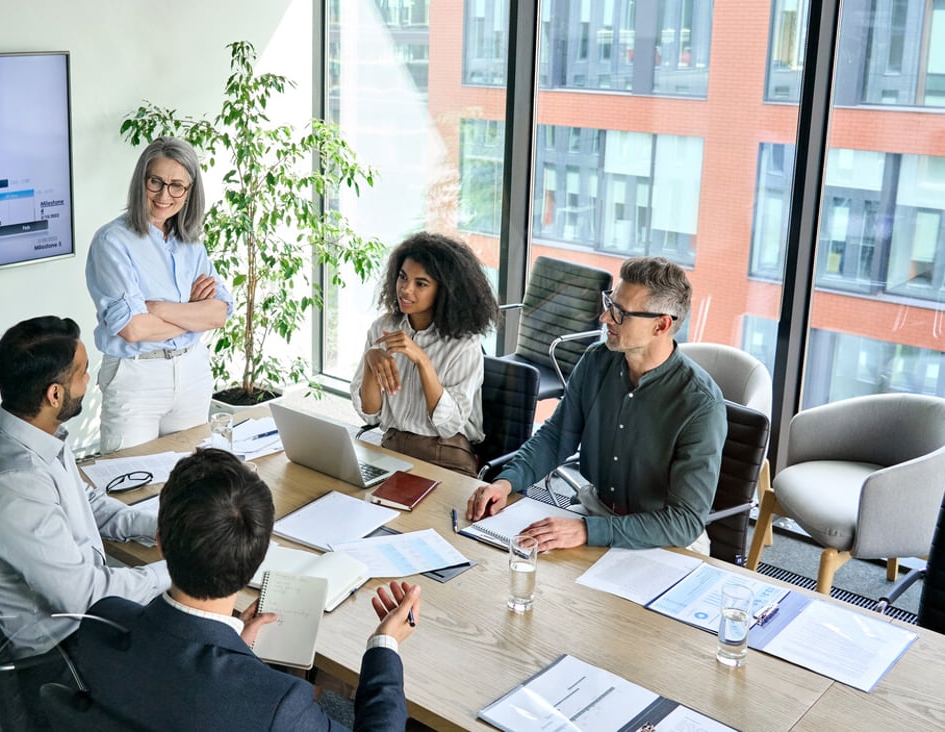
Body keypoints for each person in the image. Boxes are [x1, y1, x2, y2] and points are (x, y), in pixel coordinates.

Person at [72, 448, 419, 731]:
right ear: (258, 558)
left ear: (160, 543)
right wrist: (385, 646)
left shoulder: (100, 622)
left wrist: (236, 649)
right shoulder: (277, 704)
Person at [466, 256, 727, 553]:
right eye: (609, 304)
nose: (605, 319)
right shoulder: (595, 360)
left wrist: (587, 530)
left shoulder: (701, 405)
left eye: (620, 313)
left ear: (662, 325)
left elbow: (683, 522)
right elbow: (555, 438)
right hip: (594, 511)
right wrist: (506, 483)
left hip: (663, 539)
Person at [0, 316, 170, 657]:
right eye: (83, 373)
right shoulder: (14, 487)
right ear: (55, 394)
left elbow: (87, 503)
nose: (91, 380)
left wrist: (164, 527)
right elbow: (85, 597)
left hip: (82, 603)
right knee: (205, 631)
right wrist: (180, 568)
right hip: (65, 644)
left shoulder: (27, 436)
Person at [86, 137, 232, 454]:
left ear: (190, 192)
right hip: (136, 375)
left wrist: (159, 308)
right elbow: (133, 329)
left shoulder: (192, 242)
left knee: (192, 484)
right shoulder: (112, 241)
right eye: (156, 182)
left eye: (177, 185)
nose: (165, 195)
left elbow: (219, 313)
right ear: (142, 181)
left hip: (192, 372)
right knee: (130, 483)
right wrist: (193, 313)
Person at [351, 232, 499, 476]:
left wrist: (422, 360)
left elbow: (449, 425)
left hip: (446, 455)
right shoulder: (382, 328)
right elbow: (370, 414)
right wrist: (370, 362)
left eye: (421, 284)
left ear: (445, 291)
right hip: (393, 446)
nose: (406, 290)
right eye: (402, 277)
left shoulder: (464, 345)